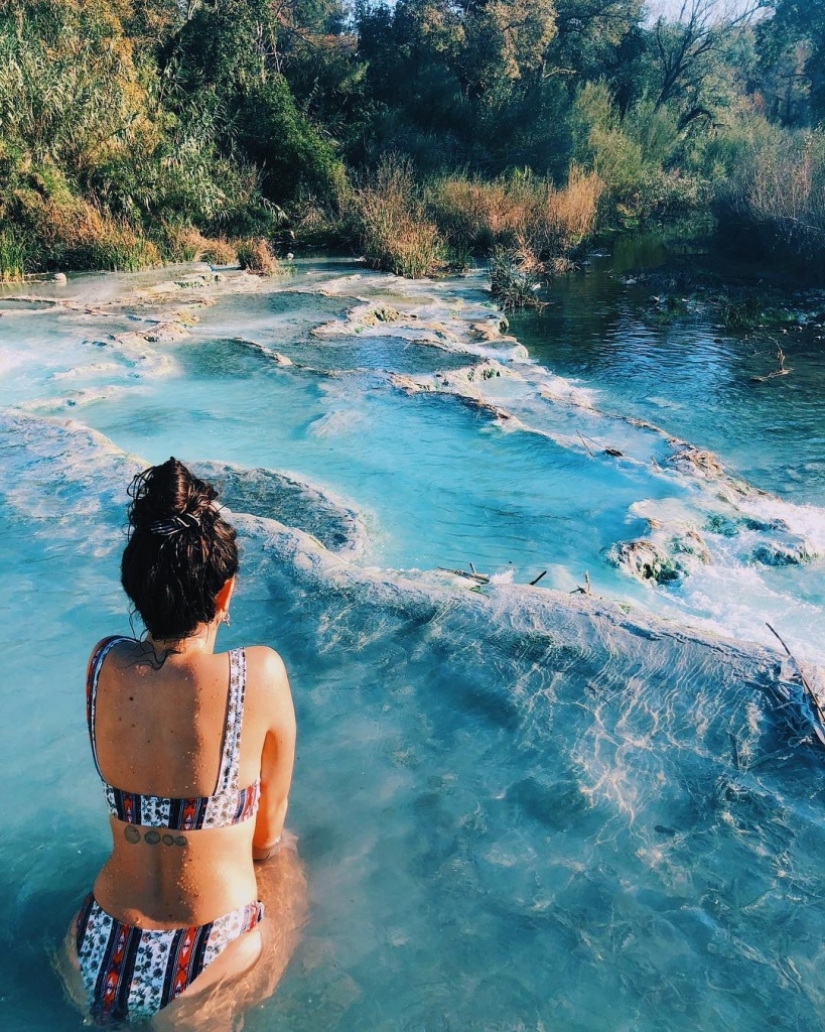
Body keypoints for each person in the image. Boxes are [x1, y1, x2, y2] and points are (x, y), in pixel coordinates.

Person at [61, 457, 301, 1027]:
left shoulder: (103, 663)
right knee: (288, 865)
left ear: (134, 587)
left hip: (95, 943)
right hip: (210, 955)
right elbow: (265, 836)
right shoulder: (257, 674)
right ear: (224, 594)